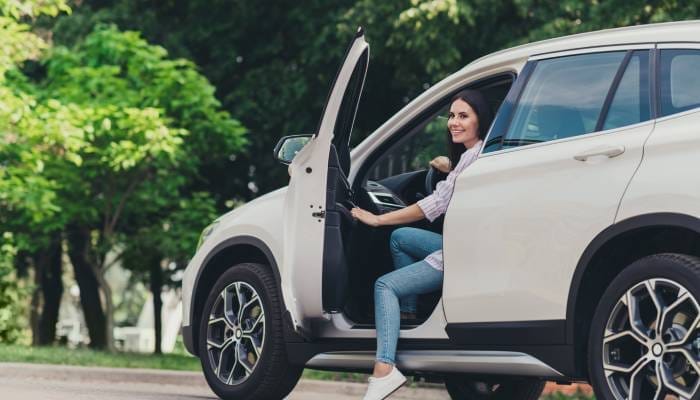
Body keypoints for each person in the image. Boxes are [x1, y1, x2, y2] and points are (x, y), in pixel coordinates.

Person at [351, 89, 493, 400]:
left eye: (464, 116)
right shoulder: (475, 155)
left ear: (481, 120)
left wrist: (376, 220)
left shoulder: (473, 159)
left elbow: (432, 205)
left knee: (384, 286)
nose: (454, 122)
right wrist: (447, 169)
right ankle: (408, 314)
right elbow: (450, 187)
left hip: (459, 253)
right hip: (467, 244)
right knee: (401, 238)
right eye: (452, 116)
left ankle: (384, 368)